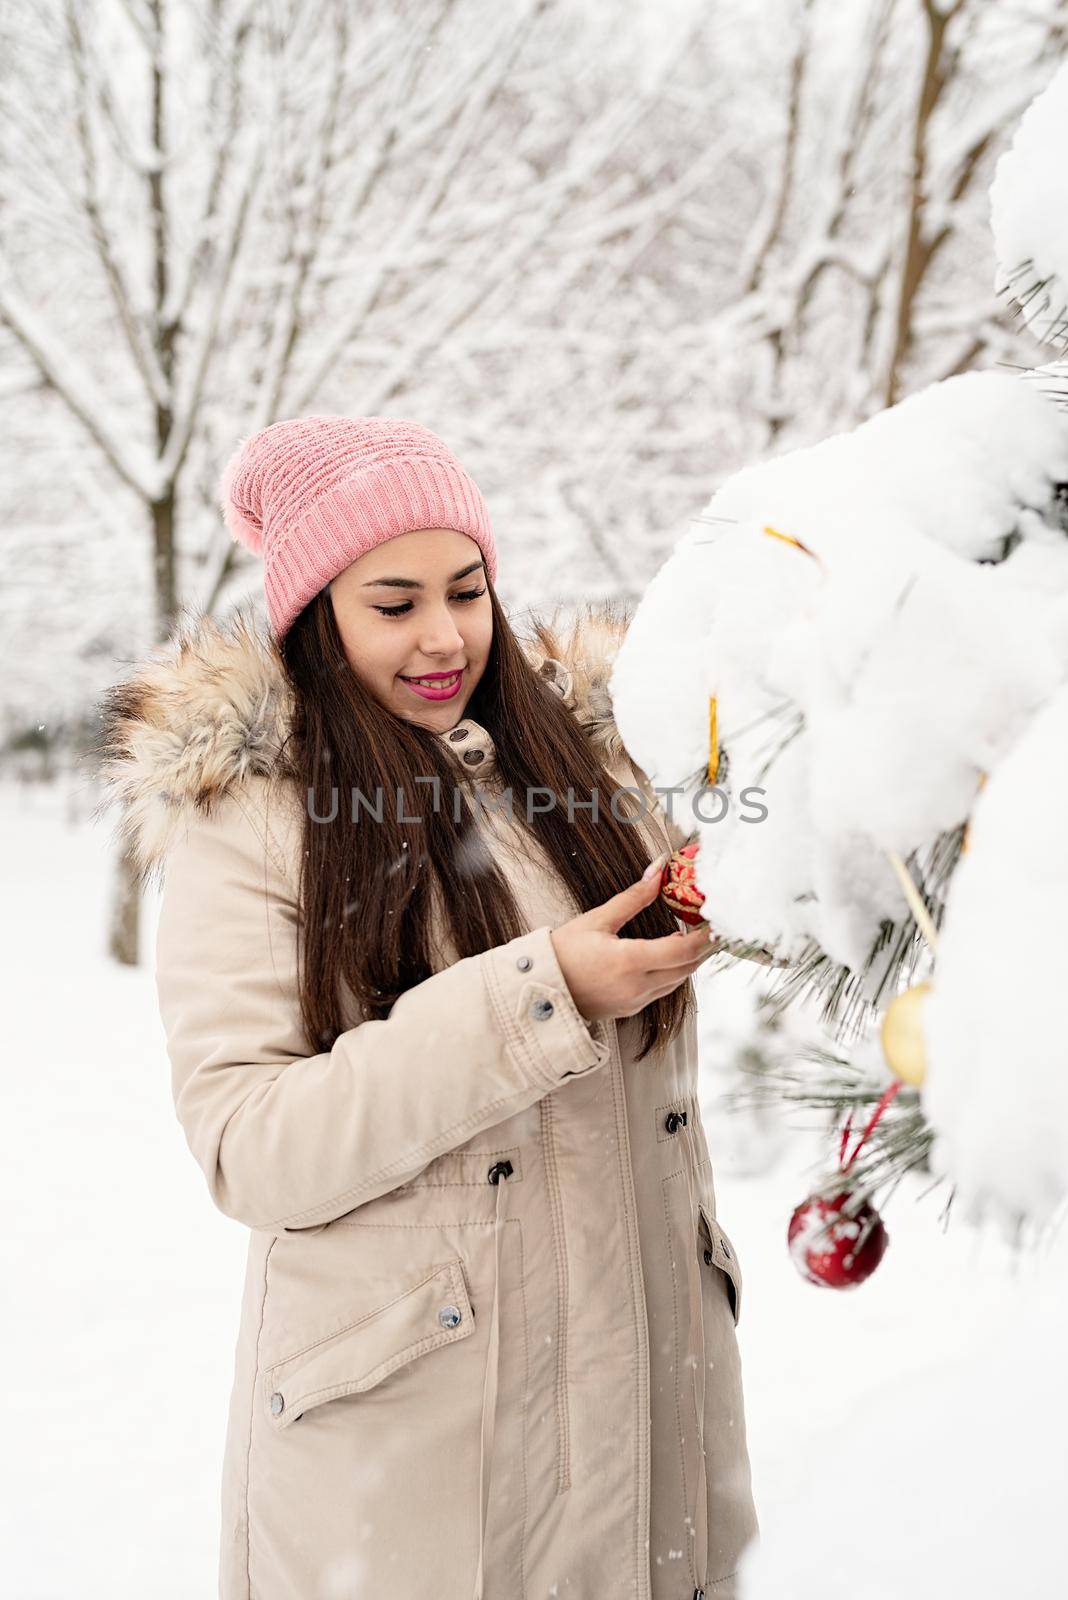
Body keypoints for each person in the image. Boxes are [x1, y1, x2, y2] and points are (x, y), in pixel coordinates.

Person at [96, 415, 760, 1600]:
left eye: (467, 590)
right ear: (317, 618)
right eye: (393, 604)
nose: (444, 636)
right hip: (417, 1476)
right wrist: (540, 995)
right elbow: (254, 1146)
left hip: (648, 1434)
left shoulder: (588, 775)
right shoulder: (253, 818)